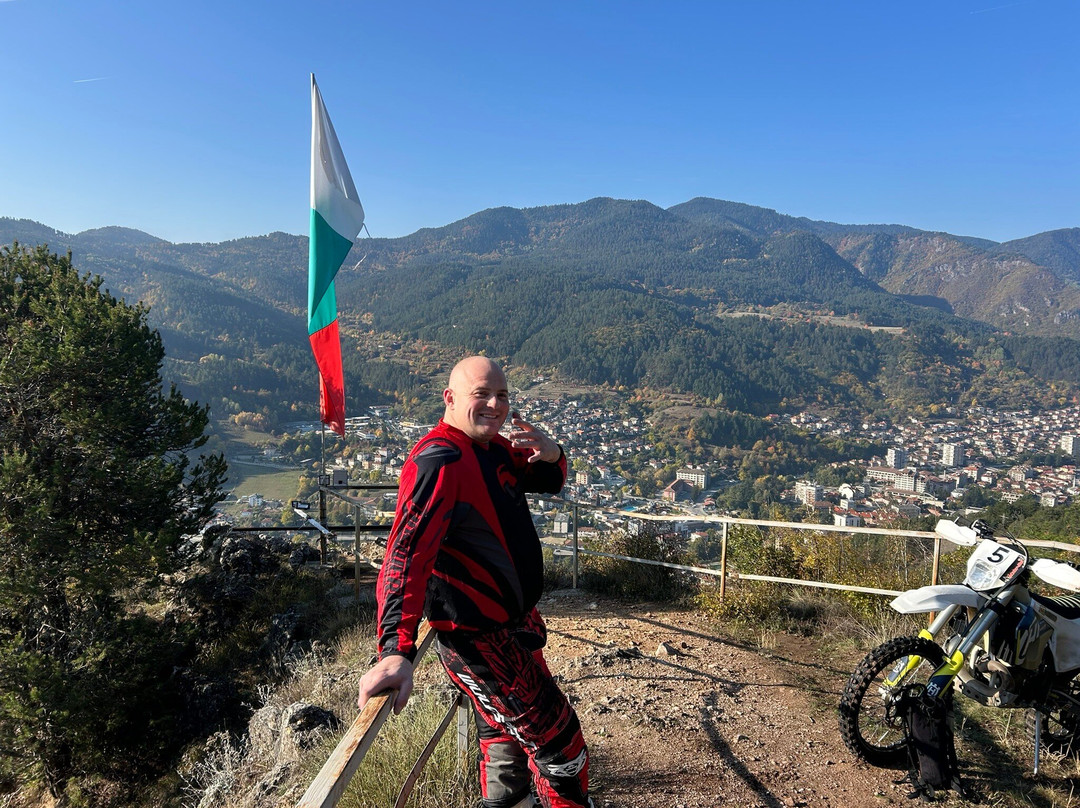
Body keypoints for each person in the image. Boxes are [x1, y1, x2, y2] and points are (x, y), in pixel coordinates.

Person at [358, 356, 591, 808]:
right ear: (450, 398)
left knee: (503, 742)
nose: (494, 404)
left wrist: (554, 453)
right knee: (563, 752)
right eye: (481, 393)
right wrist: (394, 651)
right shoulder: (439, 460)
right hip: (480, 644)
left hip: (514, 631)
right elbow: (405, 558)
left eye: (502, 394)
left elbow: (547, 480)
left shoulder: (492, 449)